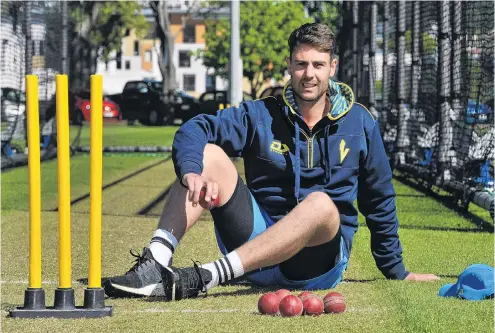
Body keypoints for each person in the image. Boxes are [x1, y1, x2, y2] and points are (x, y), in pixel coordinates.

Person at [104, 23, 439, 300]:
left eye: (318, 65)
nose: (309, 74)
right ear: (289, 65)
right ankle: (155, 262)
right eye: (301, 64)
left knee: (321, 204)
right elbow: (196, 128)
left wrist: (397, 271)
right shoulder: (261, 113)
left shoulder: (360, 123)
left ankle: (207, 276)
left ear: (332, 68)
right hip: (253, 248)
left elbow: (379, 199)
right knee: (208, 154)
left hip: (314, 264)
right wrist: (192, 172)